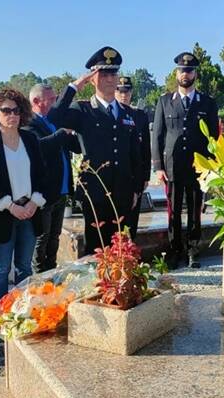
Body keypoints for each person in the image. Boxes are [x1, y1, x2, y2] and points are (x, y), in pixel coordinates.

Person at [47, 46, 143, 255]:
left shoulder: (128, 113)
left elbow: (135, 153)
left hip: (123, 191)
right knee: (96, 248)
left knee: (123, 247)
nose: (110, 78)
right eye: (104, 74)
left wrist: (136, 188)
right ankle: (99, 287)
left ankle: (122, 287)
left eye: (113, 73)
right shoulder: (82, 109)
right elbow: (53, 118)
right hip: (95, 192)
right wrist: (74, 86)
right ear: (92, 78)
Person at [0, 89, 47, 304]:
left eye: (16, 110)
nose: (12, 115)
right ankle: (0, 313)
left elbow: (42, 173)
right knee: (1, 268)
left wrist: (35, 201)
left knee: (24, 267)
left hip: (29, 211)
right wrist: (10, 206)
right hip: (3, 214)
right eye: (5, 110)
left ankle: (22, 311)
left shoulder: (30, 139)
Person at [152, 52, 219, 269]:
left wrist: (212, 167)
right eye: (182, 70)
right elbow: (158, 136)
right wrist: (158, 166)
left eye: (189, 70)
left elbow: (214, 138)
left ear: (195, 74)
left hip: (197, 166)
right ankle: (174, 250)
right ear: (176, 73)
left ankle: (193, 250)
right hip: (172, 166)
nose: (185, 73)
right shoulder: (164, 101)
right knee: (173, 212)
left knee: (194, 210)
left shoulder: (207, 103)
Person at [25, 83, 80, 272]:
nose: (55, 103)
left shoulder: (53, 121)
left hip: (60, 190)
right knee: (42, 238)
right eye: (51, 99)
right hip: (43, 192)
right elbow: (38, 147)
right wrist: (61, 134)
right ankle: (38, 278)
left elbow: (75, 145)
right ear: (36, 101)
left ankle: (51, 274)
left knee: (54, 237)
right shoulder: (28, 122)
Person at [115, 76, 151, 238]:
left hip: (135, 175)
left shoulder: (139, 116)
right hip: (116, 175)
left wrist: (145, 176)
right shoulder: (111, 113)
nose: (124, 95)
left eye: (127, 91)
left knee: (132, 222)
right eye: (120, 91)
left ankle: (130, 255)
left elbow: (145, 149)